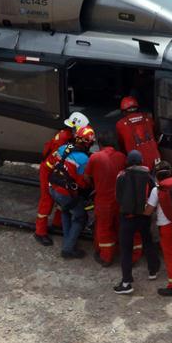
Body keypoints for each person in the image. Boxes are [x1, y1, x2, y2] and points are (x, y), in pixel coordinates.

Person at [34, 112, 89, 246]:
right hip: (49, 170)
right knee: (47, 200)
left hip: (54, 168)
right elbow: (60, 156)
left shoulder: (67, 135)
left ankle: (58, 224)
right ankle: (40, 232)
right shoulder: (65, 138)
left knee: (62, 196)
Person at [112, 150, 160, 294]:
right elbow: (154, 196)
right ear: (141, 161)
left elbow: (118, 197)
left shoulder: (121, 176)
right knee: (148, 243)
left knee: (126, 250)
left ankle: (126, 283)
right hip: (144, 217)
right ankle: (153, 271)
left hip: (127, 218)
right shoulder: (149, 177)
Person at [48, 125, 95, 259]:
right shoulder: (84, 159)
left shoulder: (64, 148)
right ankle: (68, 250)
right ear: (88, 142)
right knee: (81, 217)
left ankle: (68, 242)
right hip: (65, 193)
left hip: (52, 187)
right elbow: (83, 181)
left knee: (65, 210)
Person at [142, 161, 172, 296]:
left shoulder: (157, 190)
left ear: (157, 176)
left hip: (166, 227)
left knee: (171, 255)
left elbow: (148, 211)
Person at [85, 134, 126, 266]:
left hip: (103, 200)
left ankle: (106, 257)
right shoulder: (122, 156)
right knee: (119, 225)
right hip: (120, 200)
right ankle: (122, 251)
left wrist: (96, 184)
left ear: (100, 144)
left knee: (103, 228)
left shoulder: (95, 157)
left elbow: (86, 177)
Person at [115, 95, 160, 171]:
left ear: (123, 111)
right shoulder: (148, 118)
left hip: (138, 164)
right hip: (156, 160)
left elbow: (121, 146)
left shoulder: (120, 124)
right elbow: (156, 134)